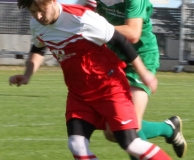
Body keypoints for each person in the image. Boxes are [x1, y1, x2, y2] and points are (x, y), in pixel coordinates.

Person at [9, 0, 172, 159]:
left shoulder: (82, 19)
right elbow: (38, 47)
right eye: (32, 12)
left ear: (52, 1)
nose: (38, 16)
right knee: (76, 144)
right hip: (79, 94)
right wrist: (27, 74)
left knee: (131, 144)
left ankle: (168, 131)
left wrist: (143, 73)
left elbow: (121, 40)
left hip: (109, 88)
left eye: (41, 10)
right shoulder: (36, 25)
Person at [77, 0, 187, 159]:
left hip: (142, 56)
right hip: (115, 56)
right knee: (111, 132)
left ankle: (168, 130)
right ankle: (169, 128)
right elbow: (80, 15)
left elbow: (133, 33)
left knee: (128, 129)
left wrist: (95, 28)